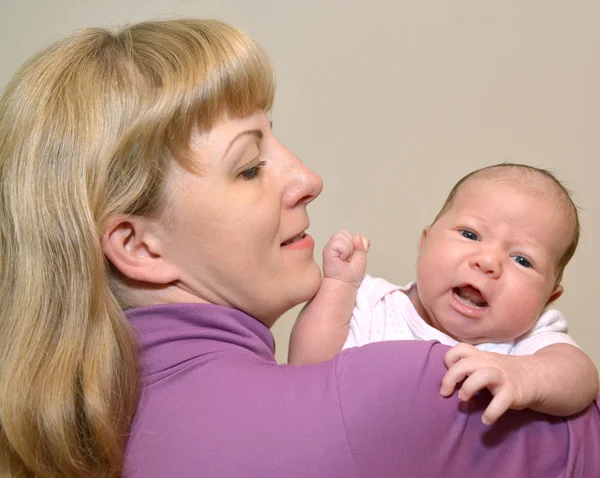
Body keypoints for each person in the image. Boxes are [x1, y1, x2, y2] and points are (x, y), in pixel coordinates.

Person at [0, 18, 598, 478]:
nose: (308, 177)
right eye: (250, 167)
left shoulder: (89, 434)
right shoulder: (412, 392)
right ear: (139, 246)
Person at [289, 164, 600, 424]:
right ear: (424, 243)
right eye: (470, 234)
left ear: (548, 299)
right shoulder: (372, 303)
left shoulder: (526, 341)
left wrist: (523, 375)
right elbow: (305, 370)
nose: (488, 262)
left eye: (523, 260)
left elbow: (581, 379)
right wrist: (338, 288)